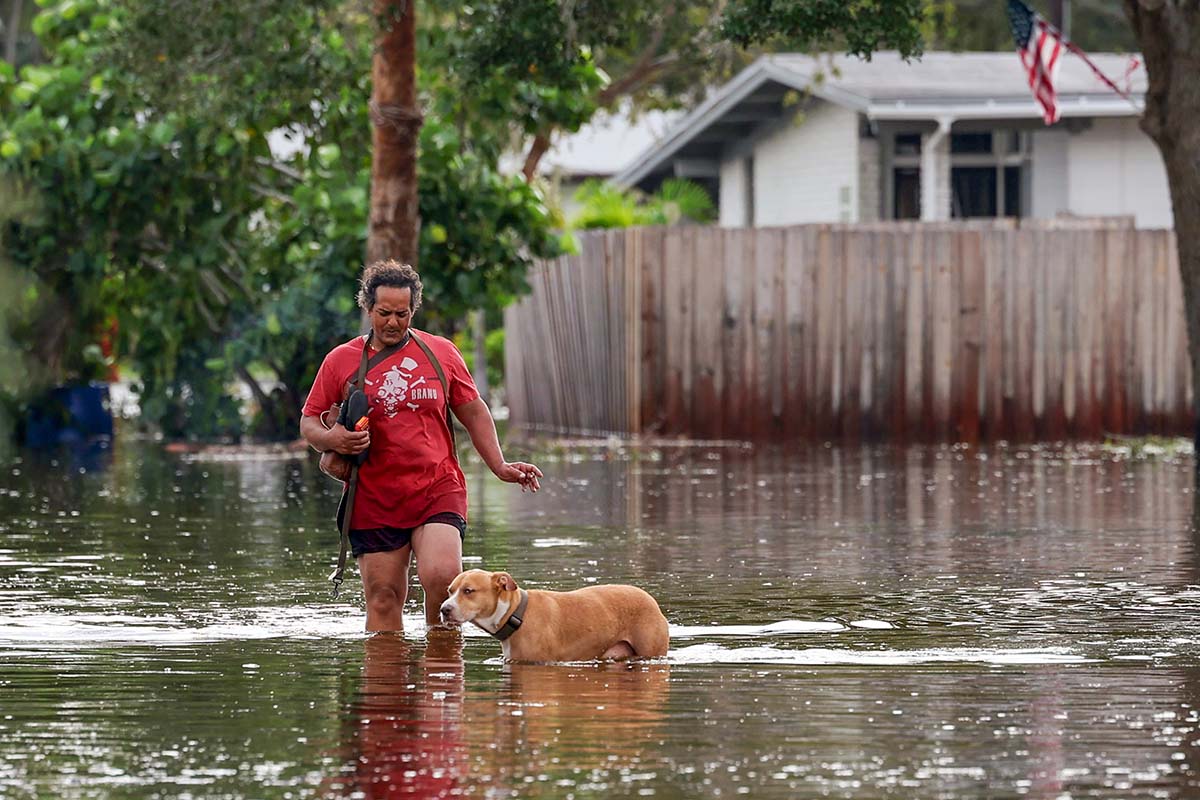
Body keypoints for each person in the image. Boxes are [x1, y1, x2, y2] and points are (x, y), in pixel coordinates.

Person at [300, 260, 542, 632]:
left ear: (413, 309)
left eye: (402, 313)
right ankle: (386, 686)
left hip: (437, 487)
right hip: (373, 495)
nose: (393, 322)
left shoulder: (441, 353)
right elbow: (310, 421)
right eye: (384, 313)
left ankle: (442, 683)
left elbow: (474, 412)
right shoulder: (341, 360)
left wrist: (500, 466)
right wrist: (334, 438)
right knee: (383, 597)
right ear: (368, 309)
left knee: (443, 579)